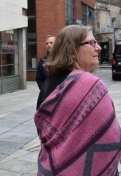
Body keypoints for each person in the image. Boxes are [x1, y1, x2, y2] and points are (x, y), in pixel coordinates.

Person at [34, 25, 121, 175]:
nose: (99, 47)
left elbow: (44, 133)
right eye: (92, 43)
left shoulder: (48, 85)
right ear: (71, 51)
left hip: (52, 169)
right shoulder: (92, 86)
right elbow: (110, 137)